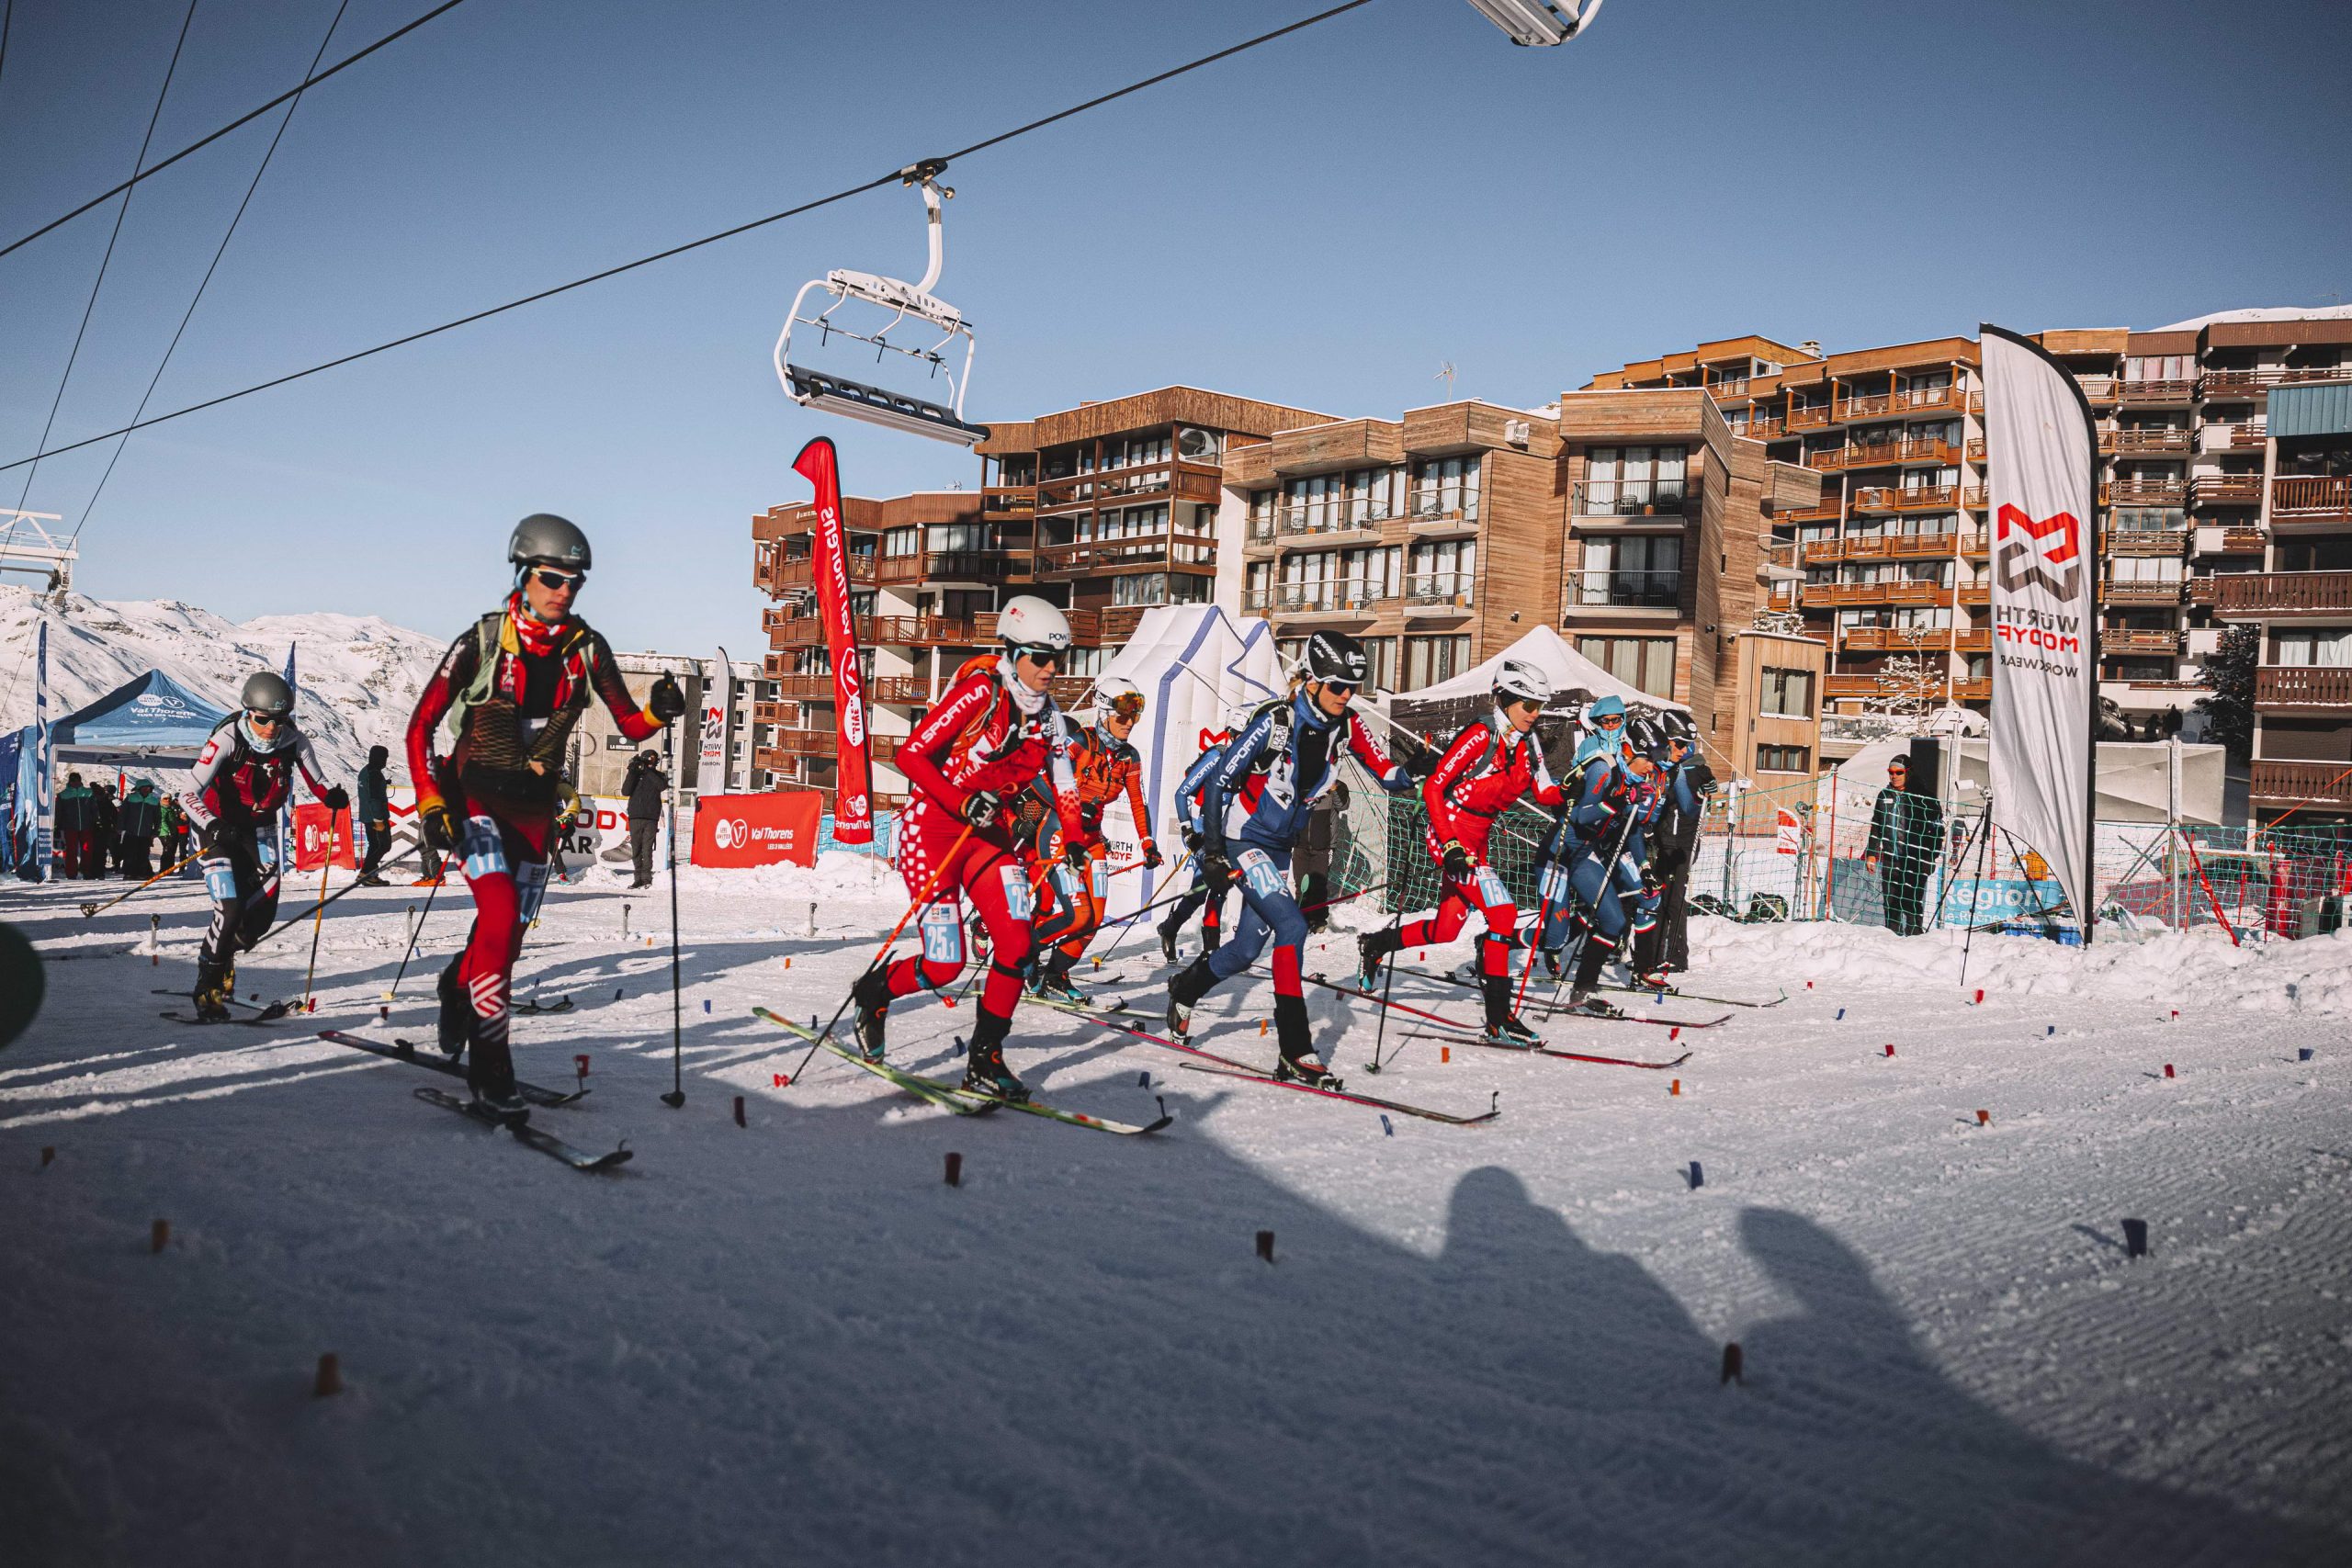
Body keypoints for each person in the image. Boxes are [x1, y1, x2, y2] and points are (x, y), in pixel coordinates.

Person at [406, 514, 683, 1115]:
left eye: (574, 581)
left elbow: (630, 723)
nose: (564, 590)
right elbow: (420, 726)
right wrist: (431, 802)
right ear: (524, 573)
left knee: (505, 940)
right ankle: (491, 1064)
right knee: (500, 914)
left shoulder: (586, 648)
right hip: (476, 797)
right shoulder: (481, 641)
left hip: (535, 810)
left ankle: (457, 989)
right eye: (552, 577)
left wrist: (661, 712)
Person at [846, 596, 1080, 1102]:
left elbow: (1065, 785)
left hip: (986, 839)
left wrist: (1077, 840)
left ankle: (985, 1061)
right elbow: (910, 754)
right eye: (1039, 656)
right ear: (1014, 651)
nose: (1050, 668)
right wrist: (960, 798)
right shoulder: (980, 692)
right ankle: (875, 994)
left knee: (1018, 945)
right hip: (930, 834)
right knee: (946, 964)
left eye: (1058, 658)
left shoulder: (1051, 717)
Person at [1166, 632, 1418, 1087]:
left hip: (1279, 845)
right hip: (1244, 838)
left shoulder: (1347, 724)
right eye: (1337, 685)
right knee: (1293, 926)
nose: (1346, 695)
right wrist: (1213, 850)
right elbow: (1222, 779)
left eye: (1352, 687)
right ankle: (1295, 1049)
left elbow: (1388, 776)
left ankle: (1185, 987)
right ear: (1312, 679)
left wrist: (1417, 770)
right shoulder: (1275, 721)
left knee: (1245, 950)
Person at [1356, 658, 1564, 1044]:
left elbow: (1544, 792)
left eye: (1540, 707)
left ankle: (1376, 944)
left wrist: (1572, 792)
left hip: (1479, 836)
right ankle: (1499, 1019)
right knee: (1502, 914)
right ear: (1503, 700)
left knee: (1447, 928)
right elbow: (1435, 786)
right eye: (1528, 706)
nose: (1535, 715)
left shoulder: (1529, 742)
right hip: (1449, 829)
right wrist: (1450, 843)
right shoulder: (1480, 735)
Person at [185, 672, 349, 1021]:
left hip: (260, 830)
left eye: (279, 720)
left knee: (259, 918)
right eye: (263, 720)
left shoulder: (295, 741)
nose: (271, 728)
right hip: (218, 830)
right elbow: (187, 792)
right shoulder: (228, 738)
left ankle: (224, 955)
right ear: (248, 713)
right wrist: (213, 824)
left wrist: (332, 796)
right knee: (229, 909)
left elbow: (317, 781)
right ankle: (208, 986)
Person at [1025, 675, 1161, 1003]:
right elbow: (1036, 777)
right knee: (1078, 915)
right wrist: (1075, 806)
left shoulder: (1129, 757)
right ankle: (1021, 952)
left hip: (1092, 840)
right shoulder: (1079, 742)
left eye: (1134, 716)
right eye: (1123, 715)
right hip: (1060, 831)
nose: (1130, 723)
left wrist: (1147, 842)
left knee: (1094, 920)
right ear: (1103, 712)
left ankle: (1056, 975)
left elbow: (1137, 801)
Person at [1534, 714, 1667, 1016]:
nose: (1651, 767)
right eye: (1648, 759)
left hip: (1582, 856)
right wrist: (1620, 801)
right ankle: (1490, 945)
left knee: (1614, 921)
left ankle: (1582, 993)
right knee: (1557, 934)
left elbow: (1631, 830)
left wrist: (1644, 868)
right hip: (1558, 856)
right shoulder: (1602, 769)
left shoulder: (1634, 780)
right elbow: (1582, 816)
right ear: (1630, 750)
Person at [1156, 701, 1256, 964]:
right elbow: (1182, 793)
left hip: (1226, 831)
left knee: (1202, 890)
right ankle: (1211, 948)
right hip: (1201, 828)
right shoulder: (1216, 757)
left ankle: (1171, 927)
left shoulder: (1250, 765)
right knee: (1217, 883)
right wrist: (1188, 830)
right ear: (1234, 734)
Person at [1631, 713, 1713, 984]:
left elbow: (1687, 806)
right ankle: (1651, 955)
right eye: (1678, 743)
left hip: (1677, 842)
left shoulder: (1683, 768)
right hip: (1660, 840)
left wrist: (1702, 792)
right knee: (1652, 897)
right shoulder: (1656, 765)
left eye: (1687, 743)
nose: (1683, 749)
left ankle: (1674, 955)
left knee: (1670, 899)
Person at [1865, 753, 1944, 936]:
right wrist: (1872, 853)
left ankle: (1914, 937)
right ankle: (1891, 938)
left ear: (1908, 772)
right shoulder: (1884, 795)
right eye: (1891, 772)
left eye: (1898, 772)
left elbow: (1937, 831)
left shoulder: (1924, 796)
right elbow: (1876, 826)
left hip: (1915, 859)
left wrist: (1930, 857)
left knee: (1911, 902)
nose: (1894, 776)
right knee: (1891, 901)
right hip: (1891, 858)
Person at [624, 749, 668, 888]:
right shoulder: (635, 775)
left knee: (647, 849)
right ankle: (637, 878)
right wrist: (632, 771)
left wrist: (647, 771)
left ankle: (646, 878)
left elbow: (661, 786)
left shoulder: (659, 775)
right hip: (635, 816)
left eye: (653, 759)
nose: (651, 762)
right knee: (636, 849)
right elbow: (625, 791)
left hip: (651, 817)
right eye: (649, 759)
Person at [355, 745, 393, 886]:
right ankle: (365, 873)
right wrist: (379, 820)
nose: (385, 761)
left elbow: (370, 790)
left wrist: (383, 783)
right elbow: (374, 798)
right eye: (385, 758)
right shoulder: (374, 773)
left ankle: (371, 874)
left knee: (376, 844)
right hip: (375, 816)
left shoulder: (367, 771)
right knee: (383, 845)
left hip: (367, 815)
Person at [117, 780, 163, 880]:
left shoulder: (154, 801)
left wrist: (155, 831)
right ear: (139, 788)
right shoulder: (130, 798)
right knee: (130, 853)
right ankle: (129, 873)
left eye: (148, 788)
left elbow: (158, 818)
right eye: (144, 788)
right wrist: (120, 827)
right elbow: (123, 814)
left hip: (145, 833)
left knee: (143, 854)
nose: (146, 790)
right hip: (131, 831)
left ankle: (142, 873)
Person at [54, 773, 96, 879]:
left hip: (86, 826)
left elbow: (94, 809)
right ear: (70, 782)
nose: (75, 783)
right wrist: (57, 826)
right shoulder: (63, 795)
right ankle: (71, 873)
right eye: (73, 781)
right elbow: (59, 812)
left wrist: (96, 822)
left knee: (87, 850)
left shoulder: (89, 793)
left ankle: (86, 871)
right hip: (70, 827)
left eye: (77, 780)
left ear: (80, 781)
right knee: (71, 851)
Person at [88, 783, 118, 879]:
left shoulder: (106, 801)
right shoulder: (90, 801)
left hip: (104, 829)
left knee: (100, 851)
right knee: (94, 851)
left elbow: (114, 815)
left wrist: (116, 826)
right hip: (93, 828)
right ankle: (93, 872)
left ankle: (99, 872)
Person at [160, 794, 190, 875]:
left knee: (180, 851)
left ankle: (178, 868)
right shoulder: (170, 807)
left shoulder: (185, 806)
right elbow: (169, 821)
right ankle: (166, 869)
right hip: (172, 832)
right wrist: (182, 820)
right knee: (169, 851)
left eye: (168, 799)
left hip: (182, 832)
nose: (178, 801)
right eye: (177, 800)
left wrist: (186, 820)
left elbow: (188, 819)